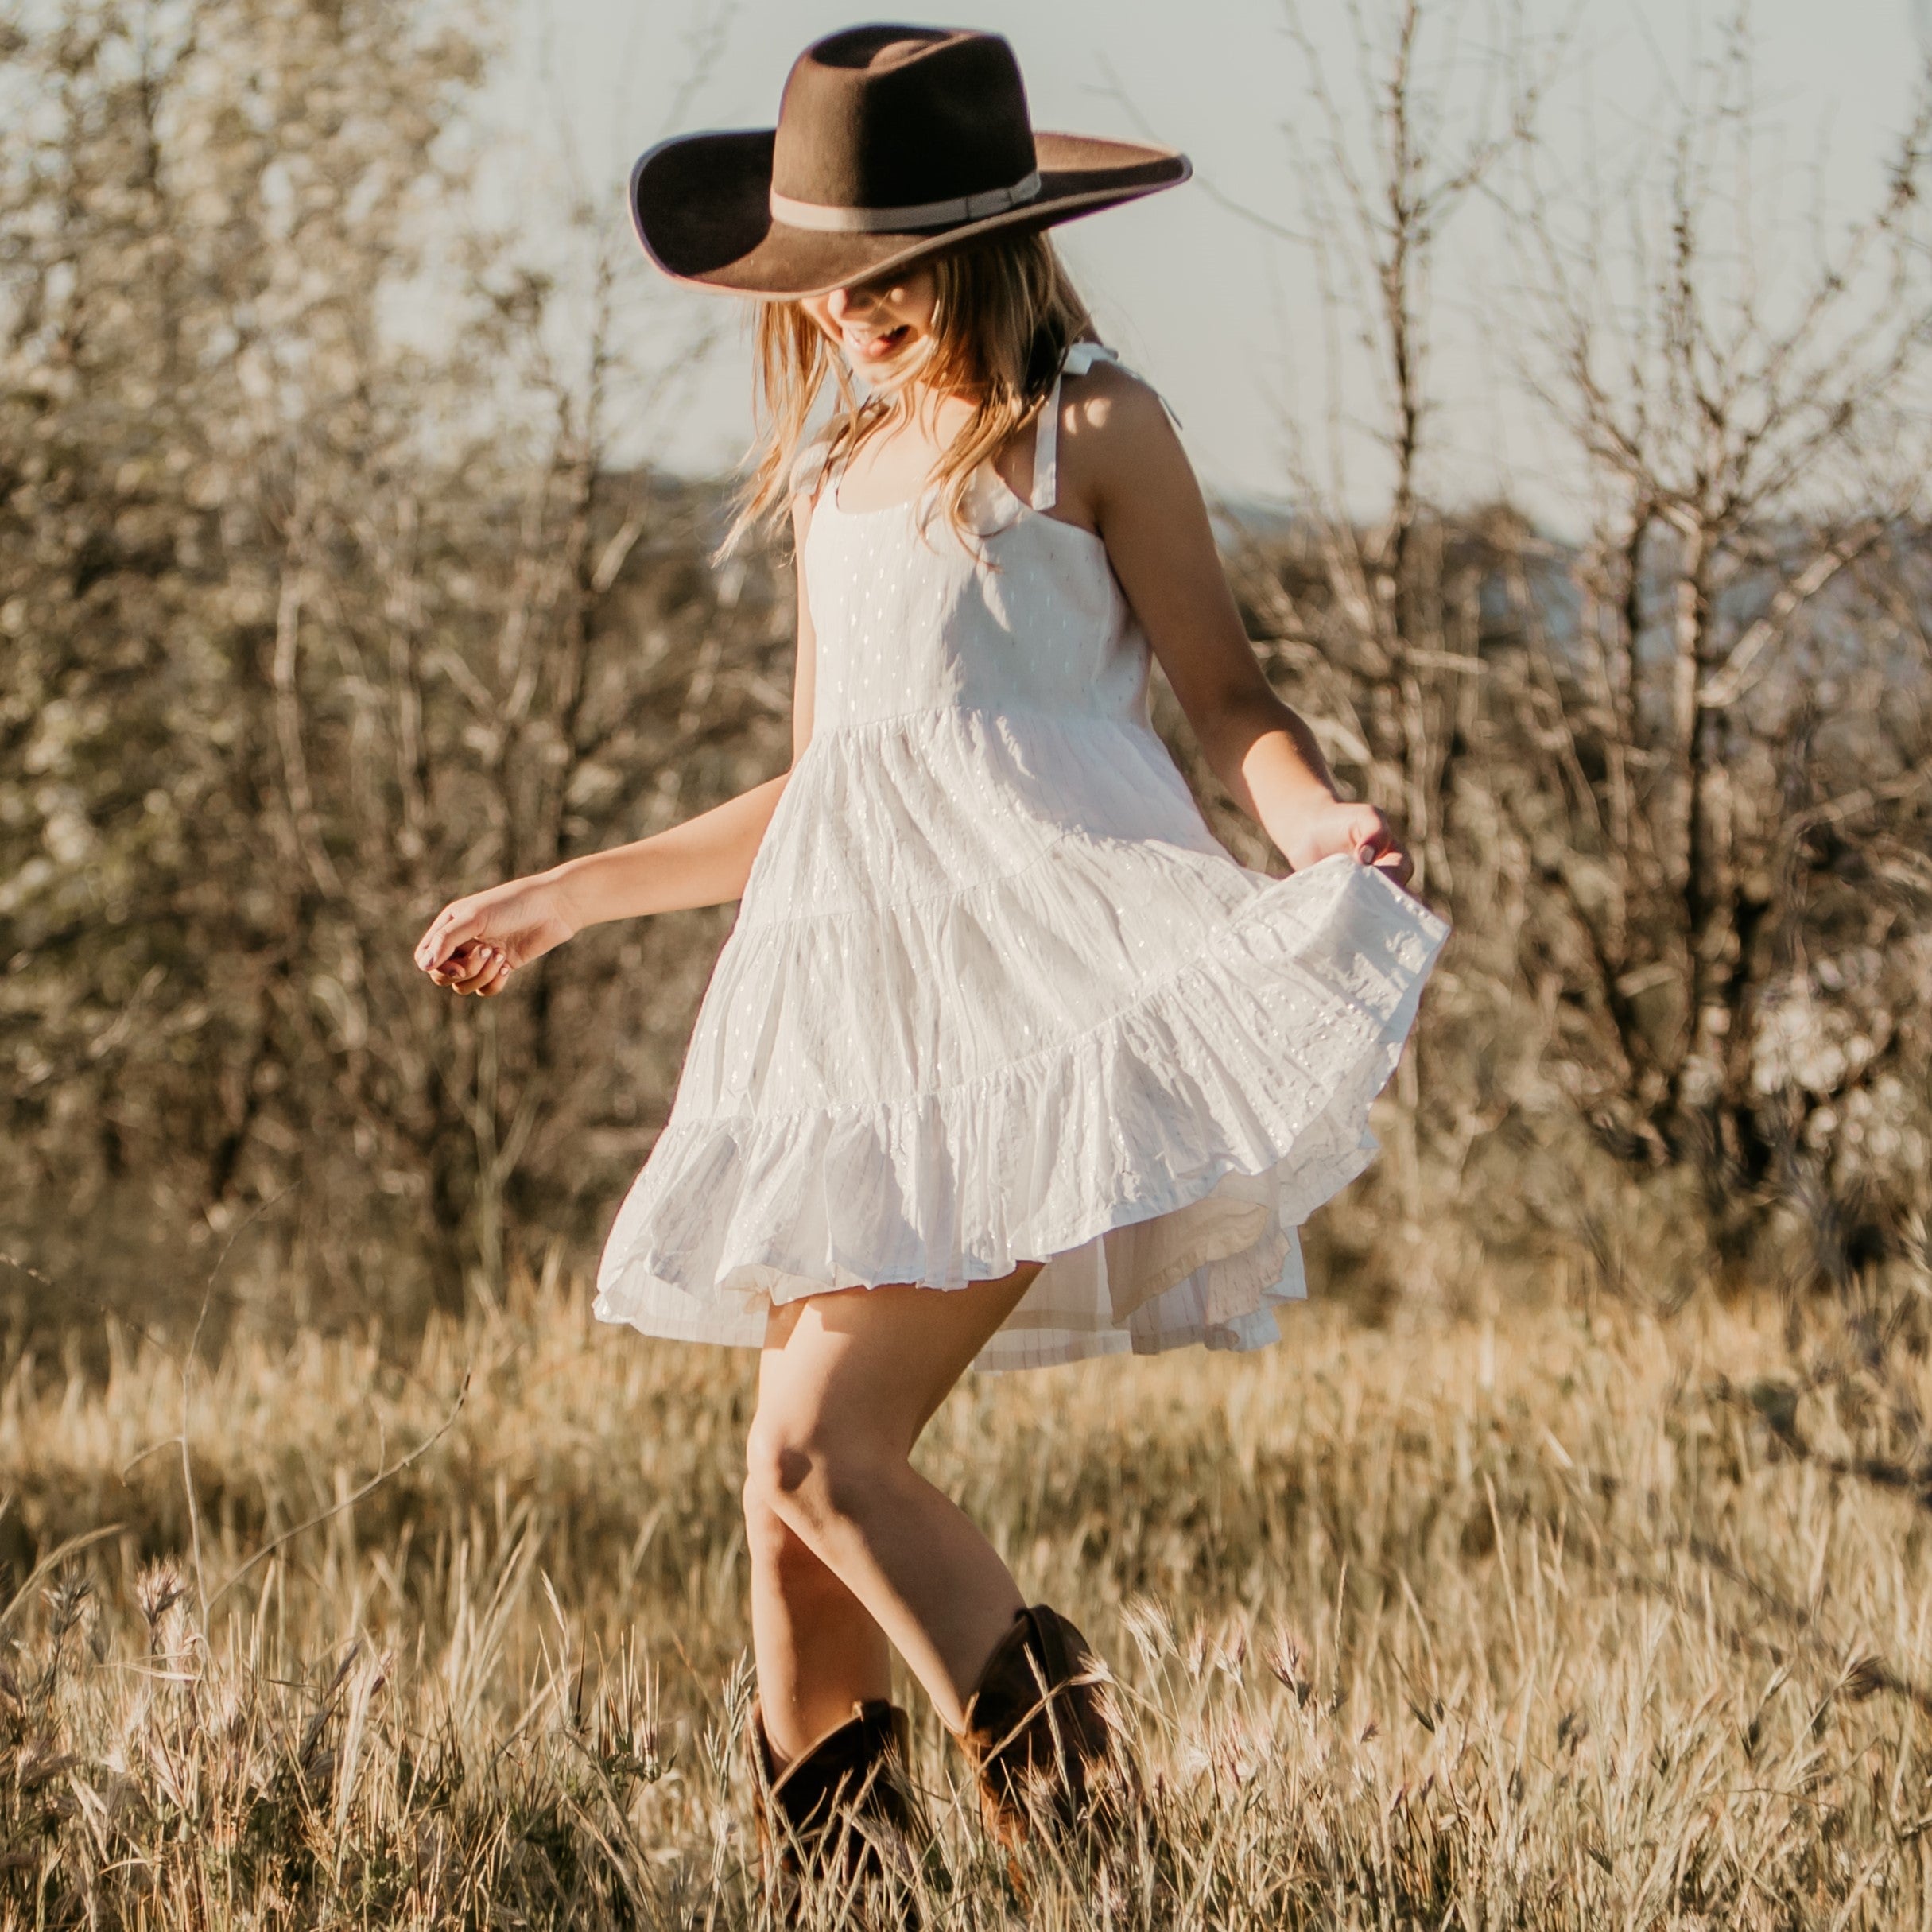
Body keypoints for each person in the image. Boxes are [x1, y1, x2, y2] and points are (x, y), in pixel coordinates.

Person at [414, 21, 1448, 1904]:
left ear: (990, 244)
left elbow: (1227, 690)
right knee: (780, 1498)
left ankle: (1099, 1849)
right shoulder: (836, 480)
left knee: (822, 1451)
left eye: (891, 272)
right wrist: (572, 891)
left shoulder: (1092, 429)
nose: (857, 310)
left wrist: (1308, 825)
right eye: (828, 279)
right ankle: (847, 1887)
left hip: (1034, 1005)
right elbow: (827, 792)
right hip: (848, 1029)